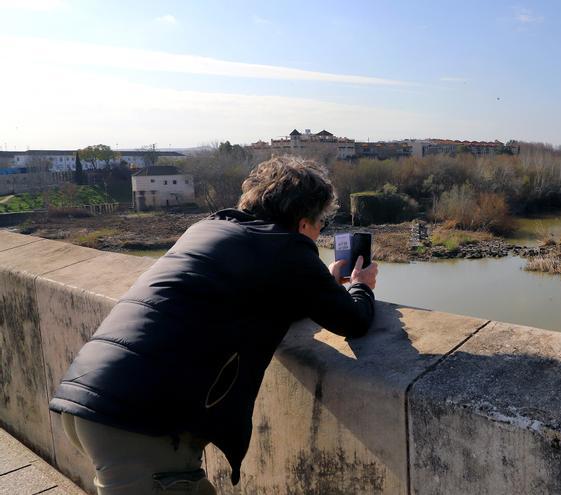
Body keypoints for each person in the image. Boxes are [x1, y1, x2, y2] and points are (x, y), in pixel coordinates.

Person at [49, 156, 378, 494]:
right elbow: (353, 321)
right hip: (138, 422)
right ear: (304, 221)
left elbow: (248, 298)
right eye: (321, 221)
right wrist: (361, 286)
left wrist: (318, 286)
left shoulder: (209, 228)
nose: (321, 230)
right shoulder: (288, 249)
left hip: (88, 399)